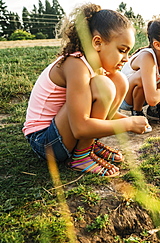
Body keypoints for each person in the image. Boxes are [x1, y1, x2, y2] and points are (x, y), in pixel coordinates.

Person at [22, 4, 150, 177]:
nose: (126, 59)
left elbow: (103, 114)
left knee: (118, 80)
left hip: (62, 133)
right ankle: (81, 156)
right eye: (121, 50)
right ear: (97, 42)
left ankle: (88, 145)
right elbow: (80, 128)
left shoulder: (92, 66)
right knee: (104, 85)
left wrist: (130, 119)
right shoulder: (76, 65)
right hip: (44, 141)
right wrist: (127, 124)